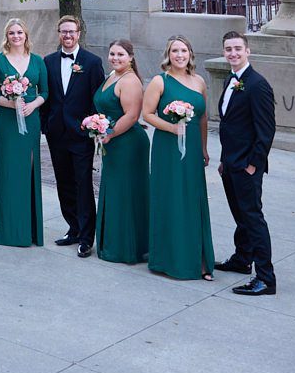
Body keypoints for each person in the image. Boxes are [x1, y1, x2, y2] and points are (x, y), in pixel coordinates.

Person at [143, 36, 213, 280]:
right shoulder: (159, 81)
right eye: (175, 51)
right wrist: (171, 128)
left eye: (184, 50)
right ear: (168, 54)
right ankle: (167, 259)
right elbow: (147, 114)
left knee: (192, 199)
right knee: (170, 198)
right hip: (167, 148)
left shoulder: (200, 81)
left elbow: (203, 118)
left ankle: (199, 259)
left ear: (190, 54)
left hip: (192, 147)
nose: (179, 55)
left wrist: (203, 148)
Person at [216, 30, 277, 295]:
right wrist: (223, 160)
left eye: (238, 48)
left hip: (246, 166)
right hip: (230, 163)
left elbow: (266, 130)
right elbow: (230, 125)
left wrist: (253, 164)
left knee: (253, 218)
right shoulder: (231, 80)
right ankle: (243, 259)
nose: (233, 53)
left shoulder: (257, 84)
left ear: (248, 51)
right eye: (229, 49)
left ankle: (266, 278)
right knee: (240, 216)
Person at [42, 14, 105, 257]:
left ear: (79, 34)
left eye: (72, 32)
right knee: (64, 182)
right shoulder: (48, 61)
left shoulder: (92, 62)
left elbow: (96, 99)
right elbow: (46, 95)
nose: (67, 36)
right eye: (63, 32)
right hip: (56, 132)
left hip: (81, 134)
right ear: (59, 34)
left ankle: (87, 237)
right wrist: (45, 125)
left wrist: (92, 127)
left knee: (83, 184)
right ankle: (73, 228)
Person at [0, 17, 48, 247]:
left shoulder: (38, 61)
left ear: (26, 35)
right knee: (8, 172)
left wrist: (33, 104)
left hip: (31, 121)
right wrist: (8, 103)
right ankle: (10, 231)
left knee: (27, 171)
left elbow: (46, 92)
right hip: (7, 122)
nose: (16, 36)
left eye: (19, 32)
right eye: (12, 33)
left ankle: (30, 230)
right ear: (6, 36)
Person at [93, 39, 149, 265]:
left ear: (131, 57)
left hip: (128, 143)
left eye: (121, 55)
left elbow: (132, 115)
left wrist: (109, 134)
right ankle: (113, 242)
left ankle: (127, 248)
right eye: (112, 54)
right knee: (115, 191)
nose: (115, 58)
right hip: (113, 142)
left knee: (125, 193)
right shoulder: (112, 76)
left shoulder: (130, 80)